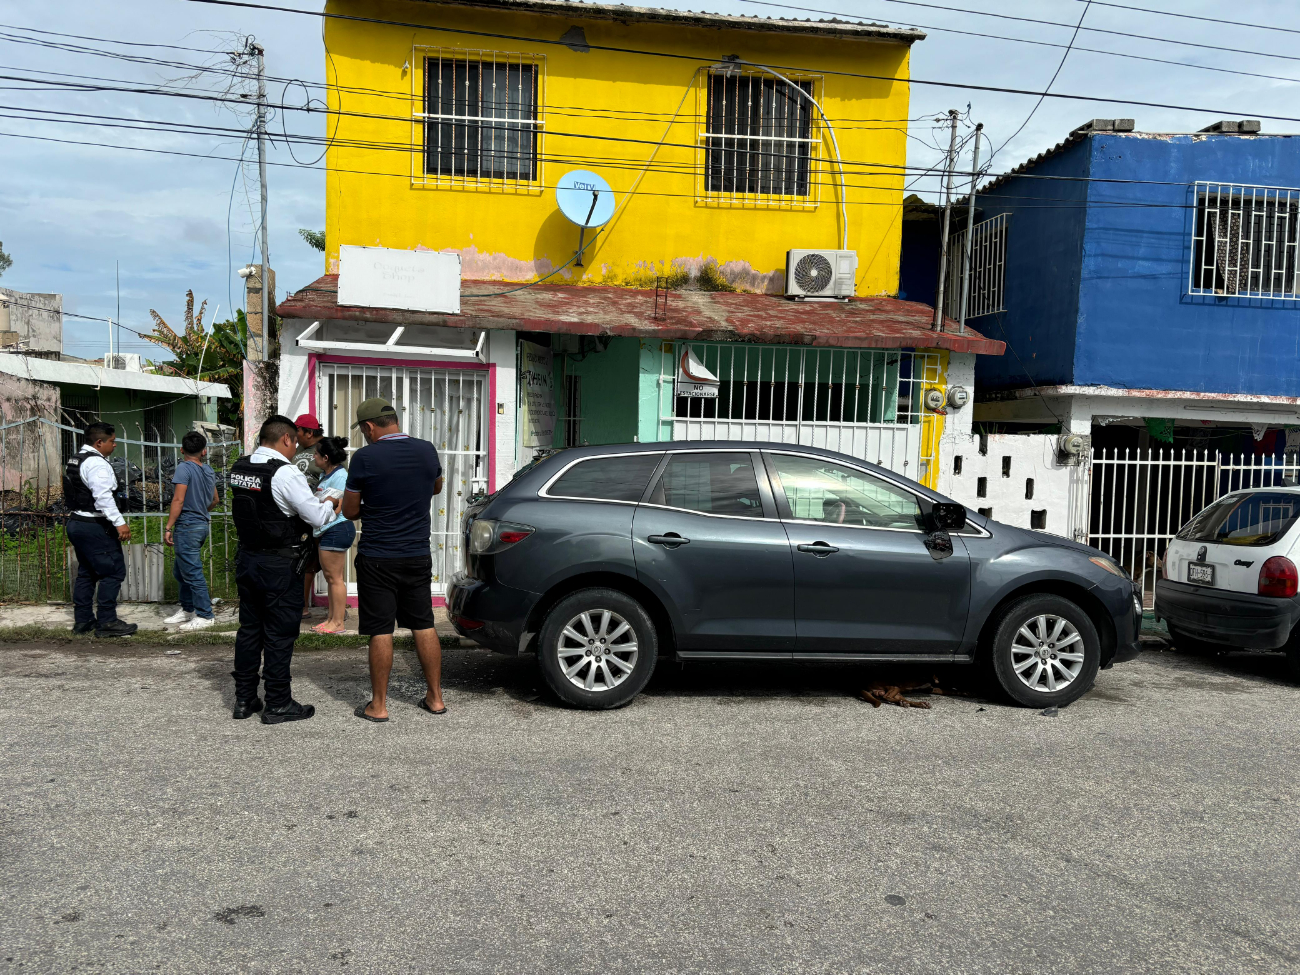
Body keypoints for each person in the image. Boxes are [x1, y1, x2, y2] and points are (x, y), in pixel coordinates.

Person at [229, 414, 340, 724]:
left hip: (248, 559)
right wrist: (331, 502)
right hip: (279, 564)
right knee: (279, 635)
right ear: (287, 440)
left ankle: (244, 698)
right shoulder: (285, 473)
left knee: (250, 631)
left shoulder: (241, 467)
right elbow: (316, 517)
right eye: (294, 443)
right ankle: (277, 702)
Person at [342, 397, 446, 722]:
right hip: (417, 554)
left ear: (369, 427)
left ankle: (379, 705)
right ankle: (436, 697)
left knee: (380, 629)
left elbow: (349, 510)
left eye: (363, 430)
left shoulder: (365, 457)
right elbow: (437, 486)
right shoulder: (427, 449)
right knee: (424, 624)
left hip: (378, 557)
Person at [63, 422, 137, 637]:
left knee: (87, 572)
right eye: (112, 441)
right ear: (99, 442)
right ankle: (107, 622)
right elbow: (103, 496)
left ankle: (83, 620)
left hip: (78, 522)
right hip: (95, 525)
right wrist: (119, 522)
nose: (114, 445)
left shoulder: (77, 459)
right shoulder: (97, 464)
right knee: (113, 572)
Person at [163, 431, 220, 631]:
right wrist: (201, 511)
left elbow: (178, 499)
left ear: (182, 450)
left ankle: (205, 615)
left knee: (193, 572)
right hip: (201, 525)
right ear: (204, 451)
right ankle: (187, 608)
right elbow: (215, 500)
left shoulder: (183, 468)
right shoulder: (208, 471)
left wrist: (168, 526)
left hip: (187, 526)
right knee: (180, 571)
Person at [310, 436, 354, 635]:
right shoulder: (327, 475)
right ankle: (331, 619)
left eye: (316, 454)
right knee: (330, 577)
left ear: (326, 457)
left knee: (334, 578)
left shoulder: (340, 476)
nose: (313, 456)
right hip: (329, 530)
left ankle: (338, 623)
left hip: (336, 529)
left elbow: (336, 507)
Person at [293, 413, 325, 617]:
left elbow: (339, 477)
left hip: (318, 514)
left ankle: (333, 609)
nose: (294, 436)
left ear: (309, 432)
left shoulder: (327, 449)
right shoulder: (298, 450)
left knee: (317, 562)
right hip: (296, 515)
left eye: (298, 432)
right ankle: (300, 605)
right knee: (300, 560)